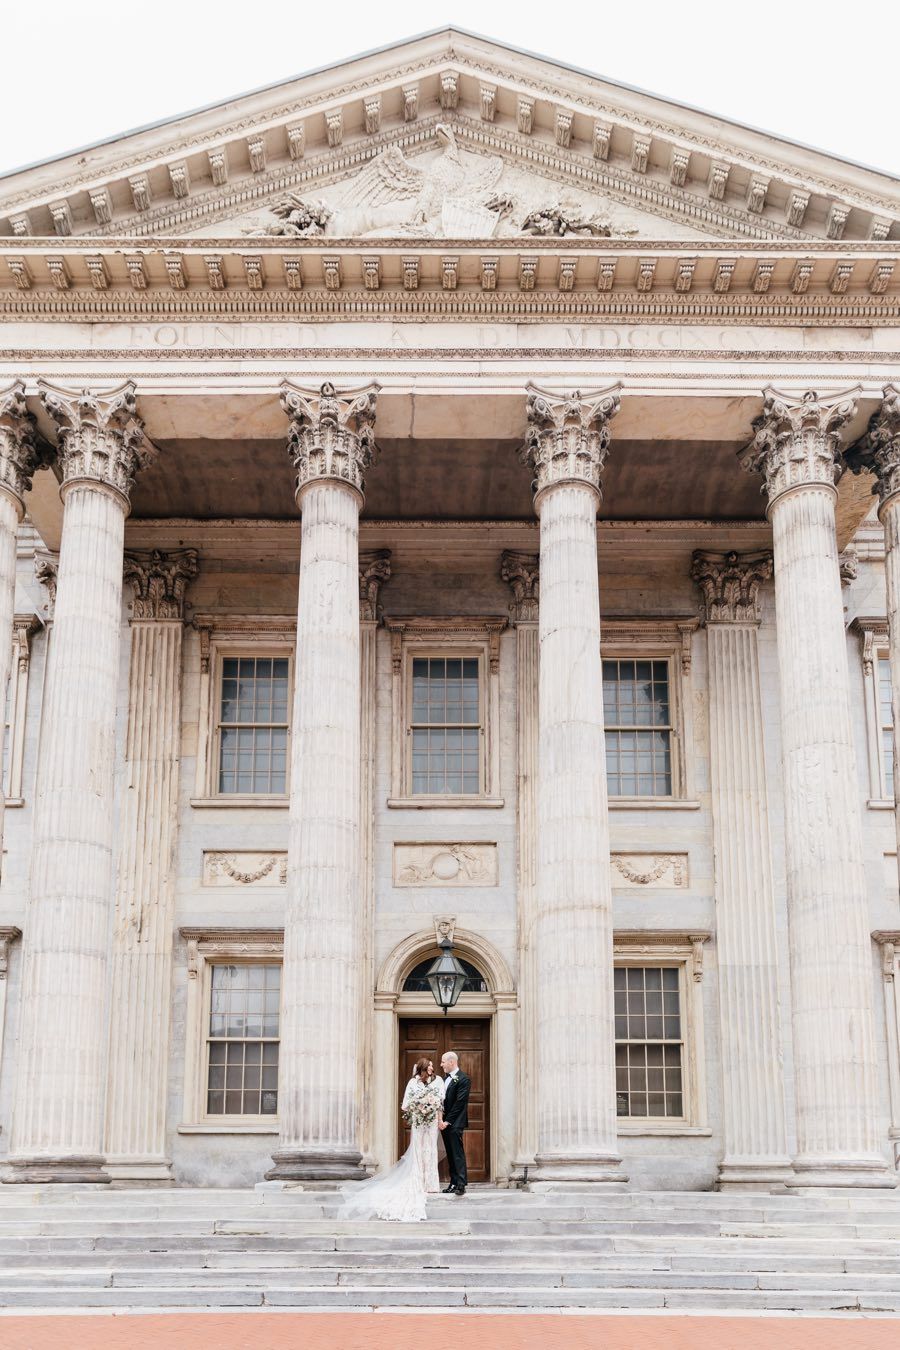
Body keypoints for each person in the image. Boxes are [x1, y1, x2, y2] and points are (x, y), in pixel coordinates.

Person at [340, 1058, 444, 1222]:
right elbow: (405, 1105)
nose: (433, 1067)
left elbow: (440, 1103)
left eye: (432, 1065)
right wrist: (419, 1106)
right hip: (418, 1121)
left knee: (430, 1150)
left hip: (431, 1123)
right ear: (423, 1068)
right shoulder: (413, 1082)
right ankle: (418, 1183)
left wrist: (438, 1120)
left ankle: (431, 1184)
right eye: (430, 1065)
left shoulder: (438, 1081)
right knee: (418, 1150)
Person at [438, 1050, 470, 1196]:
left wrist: (448, 1121)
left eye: (443, 1062)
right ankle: (453, 1182)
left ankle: (461, 1184)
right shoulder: (444, 1079)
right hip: (444, 1123)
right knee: (450, 1154)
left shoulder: (463, 1079)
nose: (441, 1064)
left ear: (451, 1062)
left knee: (457, 1153)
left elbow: (459, 1103)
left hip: (455, 1123)